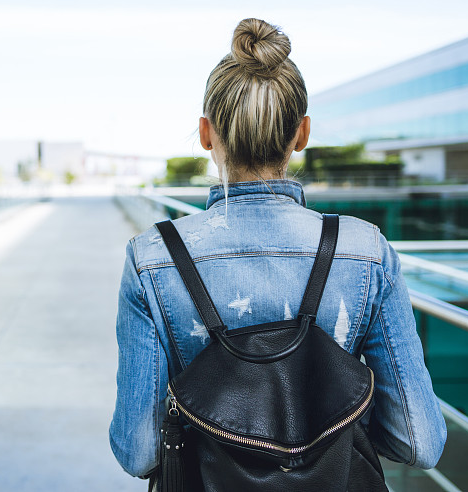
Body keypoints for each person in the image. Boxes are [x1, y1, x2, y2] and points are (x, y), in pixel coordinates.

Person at [109, 18, 447, 482]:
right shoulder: (366, 251)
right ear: (302, 134)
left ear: (207, 134)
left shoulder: (152, 258)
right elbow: (420, 442)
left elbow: (138, 451)